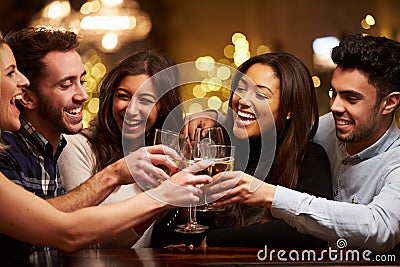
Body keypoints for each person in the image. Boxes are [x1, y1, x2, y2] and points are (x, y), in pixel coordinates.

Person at [0, 31, 212, 264]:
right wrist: (145, 188)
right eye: (66, 84)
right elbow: (68, 232)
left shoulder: (51, 147)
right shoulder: (12, 150)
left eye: (82, 81)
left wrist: (213, 115)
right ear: (27, 97)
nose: (82, 95)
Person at [210, 34, 400, 253]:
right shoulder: (329, 127)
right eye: (333, 93)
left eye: (351, 98)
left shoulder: (395, 161)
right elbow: (279, 120)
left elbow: (380, 227)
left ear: (390, 103)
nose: (335, 107)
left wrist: (270, 195)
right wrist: (212, 116)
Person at [152, 53, 333, 249]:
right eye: (241, 89)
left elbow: (316, 232)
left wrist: (217, 241)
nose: (243, 101)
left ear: (290, 108)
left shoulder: (308, 157)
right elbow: (163, 238)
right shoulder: (219, 152)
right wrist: (184, 211)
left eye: (261, 94)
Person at [58, 49, 184, 248]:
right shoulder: (78, 145)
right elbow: (87, 242)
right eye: (124, 96)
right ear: (110, 98)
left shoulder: (167, 154)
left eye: (145, 100)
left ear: (163, 107)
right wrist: (158, 202)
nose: (132, 110)